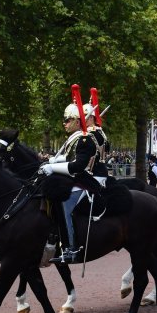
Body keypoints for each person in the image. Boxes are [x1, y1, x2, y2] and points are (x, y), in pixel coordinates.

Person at [40, 102, 99, 263]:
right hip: (73, 178)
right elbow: (68, 158)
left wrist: (53, 168)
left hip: (83, 180)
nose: (64, 123)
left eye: (67, 120)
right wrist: (52, 161)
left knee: (65, 206)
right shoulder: (74, 139)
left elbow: (77, 166)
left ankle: (71, 248)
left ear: (77, 121)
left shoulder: (85, 140)